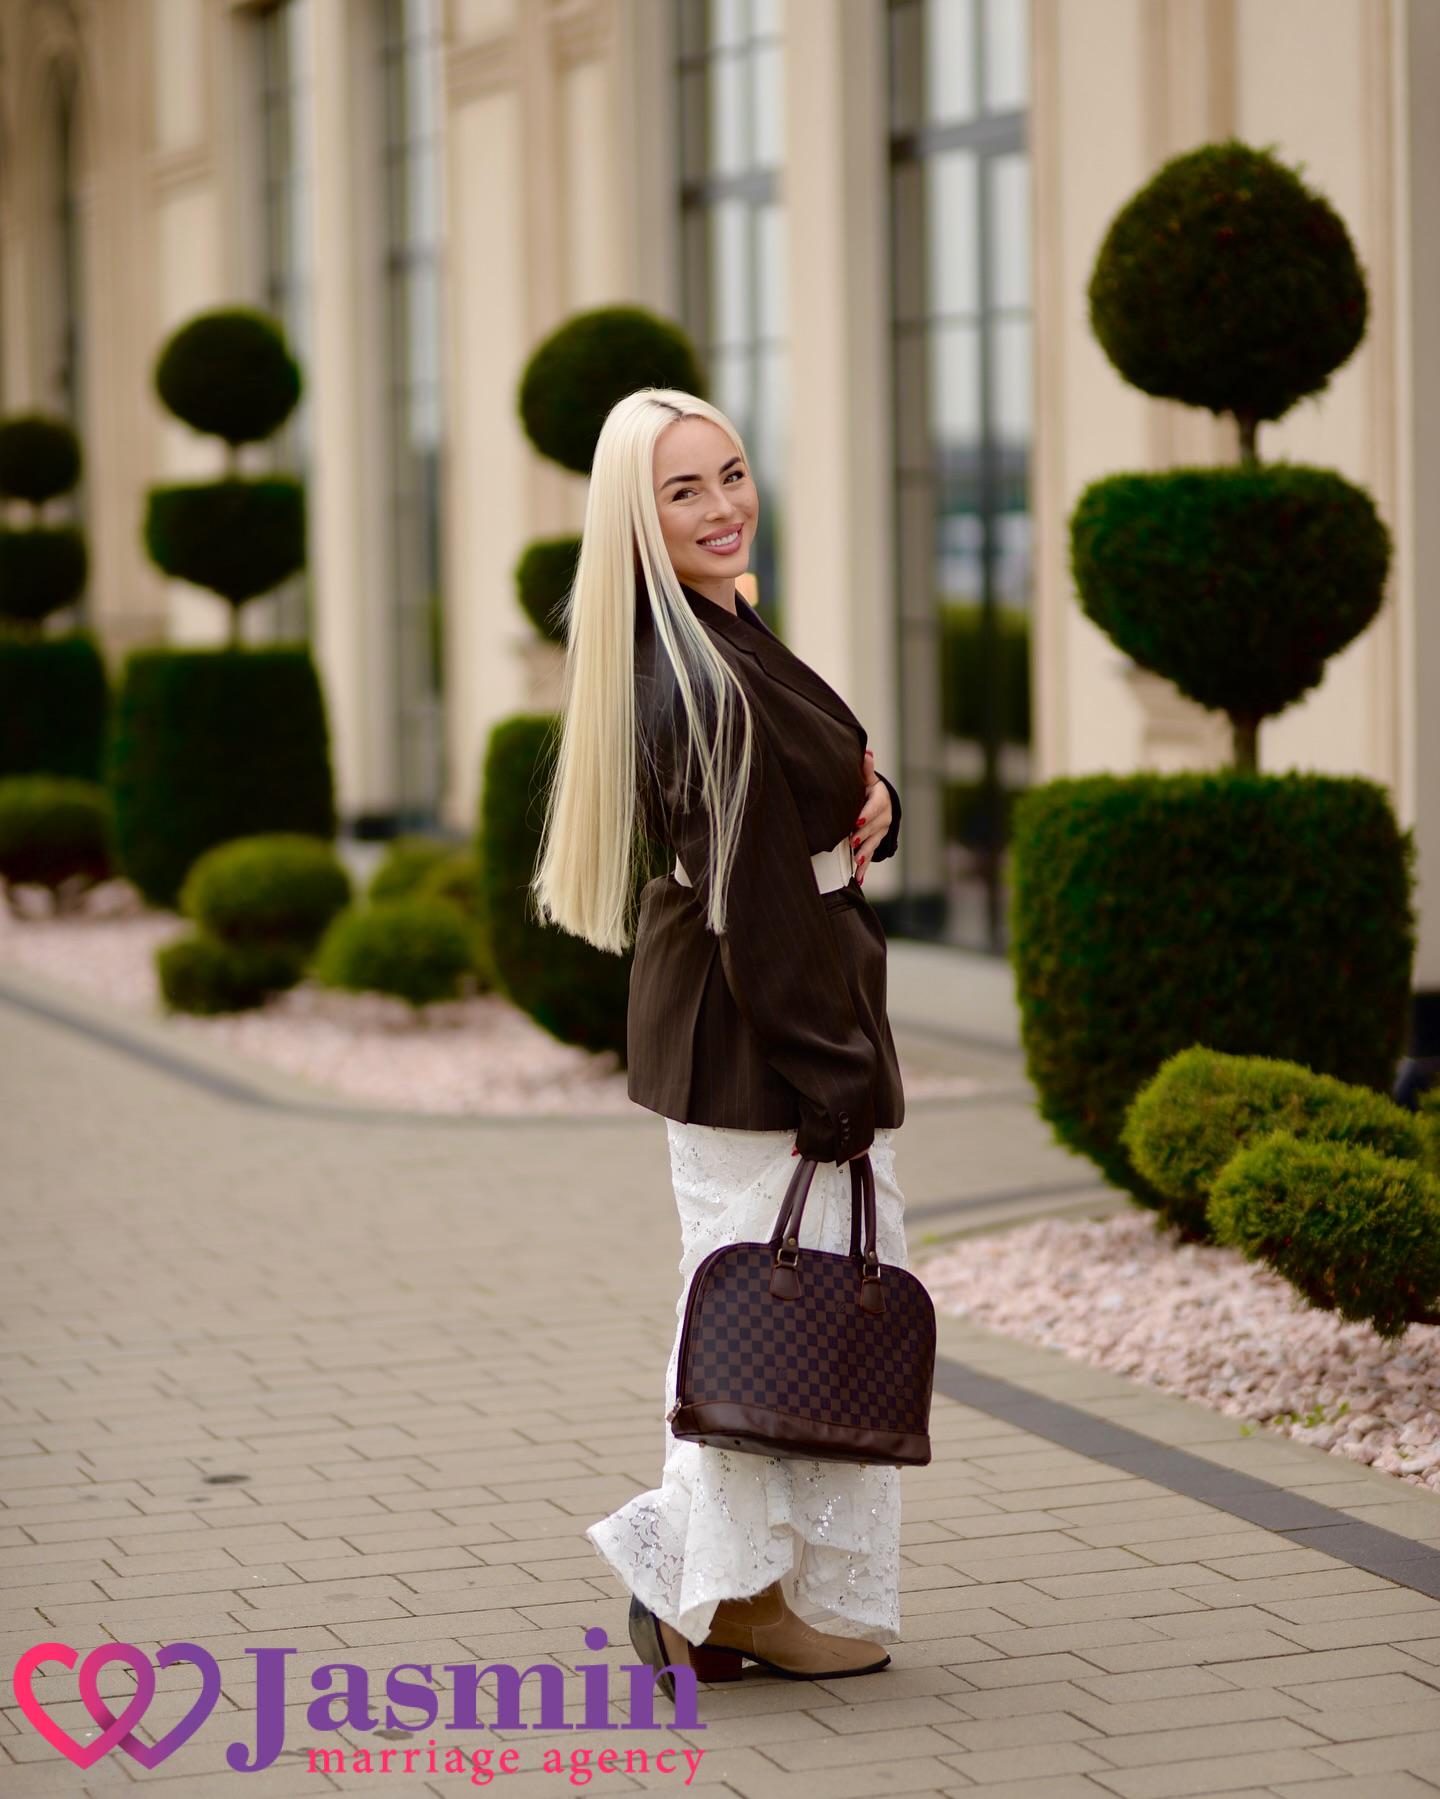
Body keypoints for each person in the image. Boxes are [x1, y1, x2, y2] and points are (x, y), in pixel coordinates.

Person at [530, 387, 910, 1698]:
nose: (722, 505)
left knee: (757, 1309)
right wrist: (835, 1075)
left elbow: (809, 798)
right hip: (766, 1026)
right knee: (766, 1319)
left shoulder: (717, 624)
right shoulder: (695, 668)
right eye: (683, 490)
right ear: (636, 515)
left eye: (732, 473)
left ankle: (726, 1592)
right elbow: (757, 900)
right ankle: (717, 1596)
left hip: (759, 1008)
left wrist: (876, 797)